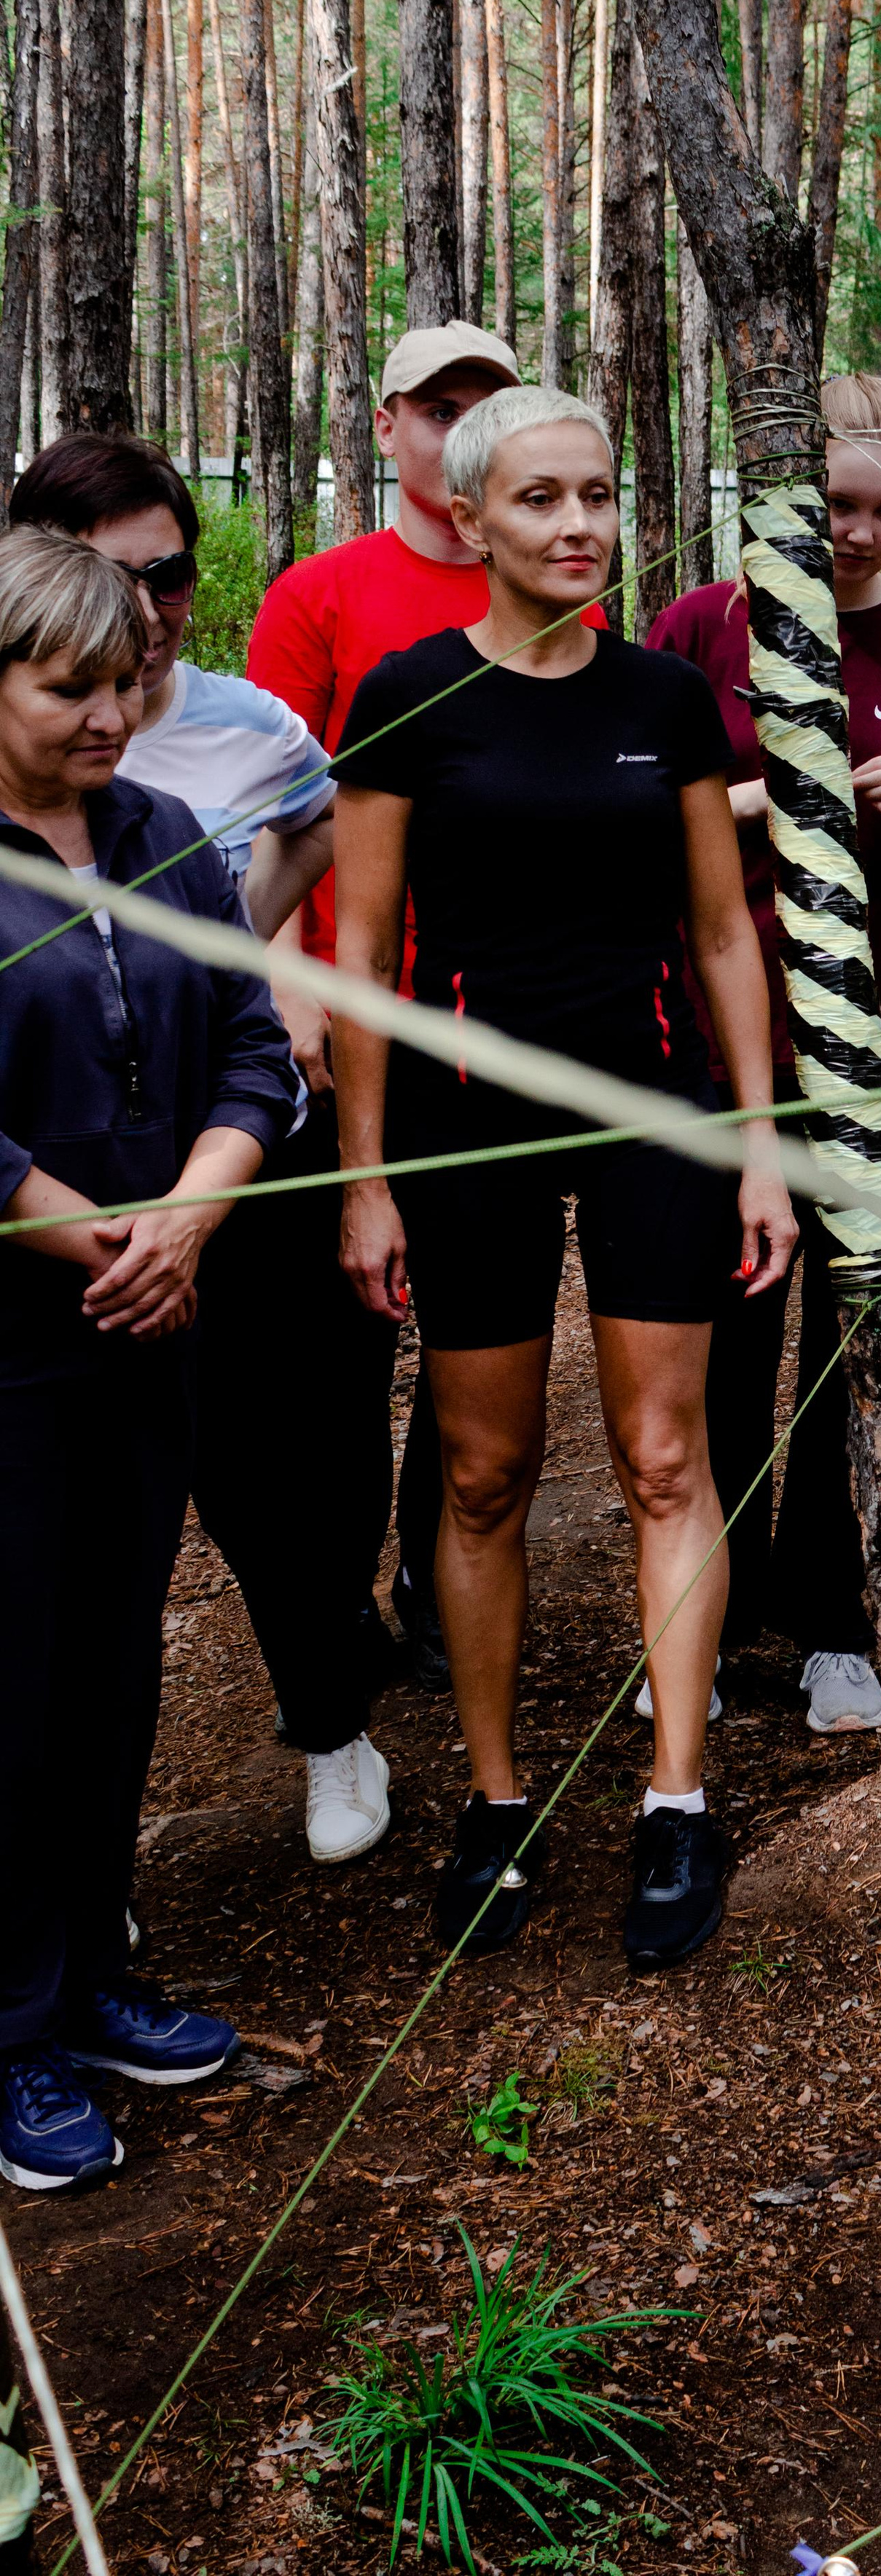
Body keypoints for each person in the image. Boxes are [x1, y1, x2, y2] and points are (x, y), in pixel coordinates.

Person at [332, 386, 796, 1974]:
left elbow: (724, 931)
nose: (578, 525)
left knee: (668, 1458)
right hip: (468, 1125)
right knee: (482, 1475)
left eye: (596, 495)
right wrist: (365, 1179)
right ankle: (493, 1796)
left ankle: (676, 1802)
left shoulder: (667, 699)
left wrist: (754, 1144)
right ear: (469, 520)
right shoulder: (404, 701)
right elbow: (363, 954)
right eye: (540, 500)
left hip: (658, 1106)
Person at [9, 434, 393, 1868]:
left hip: (232, 1172)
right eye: (116, 585)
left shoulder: (199, 776)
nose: (150, 616)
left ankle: (327, 1715)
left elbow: (301, 850)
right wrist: (107, 1233)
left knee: (283, 1454)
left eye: (173, 576)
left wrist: (265, 962)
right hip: (65, 1231)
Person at [0, 528, 297, 2191]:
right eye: (69, 686)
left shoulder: (165, 837)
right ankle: (12, 2027)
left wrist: (187, 1216)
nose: (114, 712)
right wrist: (99, 1240)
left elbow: (253, 1045)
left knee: (115, 1667)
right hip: (21, 1349)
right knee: (12, 1688)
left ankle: (90, 1968)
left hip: (152, 1322)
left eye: (128, 677)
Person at [646, 372, 881, 1732]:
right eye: (830, 506)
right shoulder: (700, 629)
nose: (854, 534)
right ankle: (709, 1614)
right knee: (724, 1332)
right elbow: (646, 826)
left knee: (852, 1339)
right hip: (723, 1049)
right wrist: (778, 792)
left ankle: (832, 1617)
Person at [247, 320, 541, 1689]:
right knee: (356, 1328)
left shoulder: (550, 591)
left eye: (485, 405)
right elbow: (266, 812)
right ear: (390, 428)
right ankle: (343, 1596)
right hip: (343, 1026)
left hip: (489, 1023)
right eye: (435, 408)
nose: (454, 430)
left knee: (476, 1318)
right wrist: (294, 992)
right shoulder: (320, 596)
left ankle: (440, 1571)